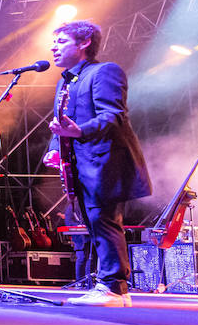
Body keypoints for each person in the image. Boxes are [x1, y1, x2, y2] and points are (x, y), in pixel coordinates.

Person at [43, 20, 152, 306]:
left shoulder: (104, 71)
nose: (53, 46)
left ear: (84, 43)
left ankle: (115, 288)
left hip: (106, 162)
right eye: (53, 42)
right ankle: (110, 286)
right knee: (95, 223)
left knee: (105, 222)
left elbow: (113, 115)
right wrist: (56, 148)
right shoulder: (66, 81)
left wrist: (79, 131)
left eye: (61, 41)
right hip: (81, 165)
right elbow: (61, 123)